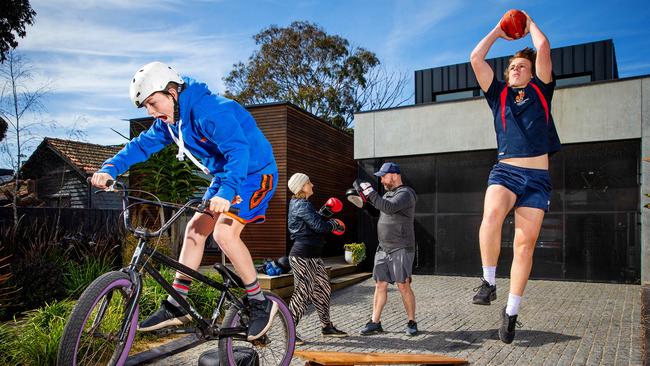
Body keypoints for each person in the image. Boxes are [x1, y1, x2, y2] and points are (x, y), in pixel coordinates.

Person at [91, 61, 279, 341]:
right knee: (194, 230)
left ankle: (259, 300)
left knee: (225, 232)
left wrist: (226, 192)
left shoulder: (212, 110)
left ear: (172, 92)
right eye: (146, 108)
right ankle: (178, 302)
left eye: (154, 104)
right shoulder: (171, 124)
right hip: (224, 176)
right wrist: (110, 168)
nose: (152, 113)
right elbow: (141, 145)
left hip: (254, 173)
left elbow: (239, 151)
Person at [469, 11, 561, 344]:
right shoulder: (498, 95)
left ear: (531, 71)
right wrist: (498, 31)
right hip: (506, 170)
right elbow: (476, 57)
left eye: (521, 65)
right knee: (491, 215)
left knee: (524, 246)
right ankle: (488, 282)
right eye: (511, 67)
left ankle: (510, 312)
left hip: (537, 178)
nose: (516, 69)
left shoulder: (541, 89)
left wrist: (530, 22)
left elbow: (544, 47)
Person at [349, 162, 418, 336]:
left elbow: (389, 207)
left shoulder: (406, 193)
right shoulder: (387, 194)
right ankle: (375, 322)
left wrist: (369, 191)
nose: (381, 180)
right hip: (383, 248)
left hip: (401, 247)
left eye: (383, 176)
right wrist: (362, 202)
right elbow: (379, 210)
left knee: (403, 285)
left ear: (394, 175)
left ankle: (411, 321)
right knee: (380, 285)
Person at [286, 173, 348, 345]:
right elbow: (319, 227)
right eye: (309, 183)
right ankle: (289, 332)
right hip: (303, 256)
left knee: (324, 289)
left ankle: (327, 327)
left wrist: (324, 212)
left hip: (313, 256)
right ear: (302, 187)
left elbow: (314, 221)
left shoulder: (302, 204)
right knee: (302, 293)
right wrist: (334, 224)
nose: (312, 185)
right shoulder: (301, 204)